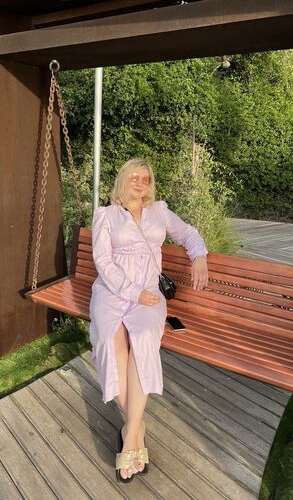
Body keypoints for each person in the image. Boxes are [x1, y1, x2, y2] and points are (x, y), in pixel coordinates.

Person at [89, 158, 209, 483]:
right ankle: (137, 427)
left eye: (146, 178)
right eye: (134, 177)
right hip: (112, 292)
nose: (140, 182)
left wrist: (199, 256)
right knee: (110, 341)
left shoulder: (159, 211)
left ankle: (129, 435)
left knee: (143, 340)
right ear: (123, 180)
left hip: (150, 295)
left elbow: (187, 233)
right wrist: (132, 292)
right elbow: (102, 261)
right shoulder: (106, 215)